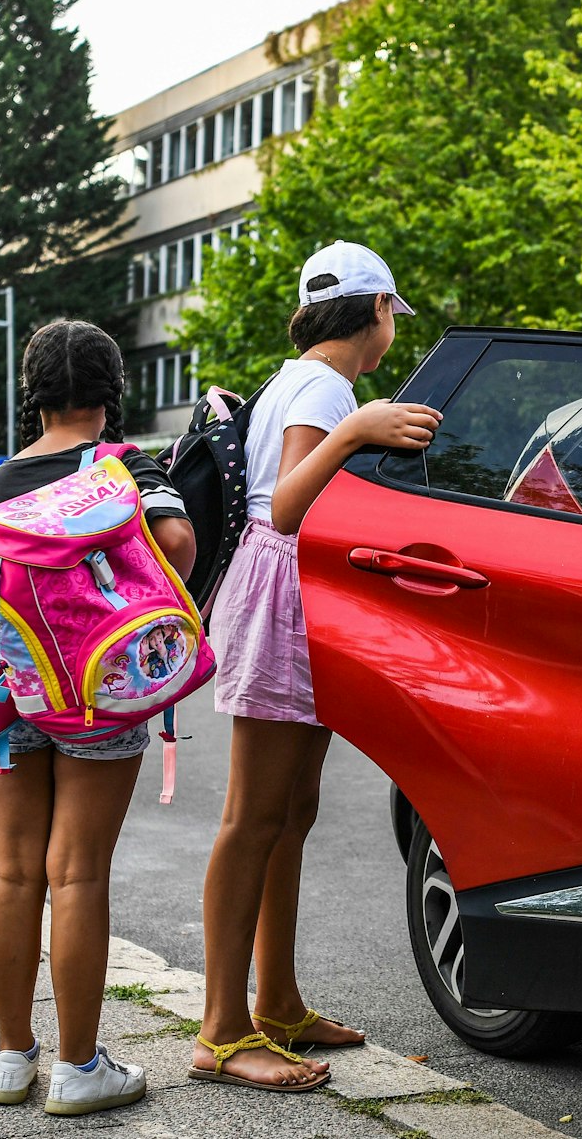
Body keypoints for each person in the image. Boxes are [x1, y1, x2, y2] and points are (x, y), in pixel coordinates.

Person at [190, 242, 441, 1092]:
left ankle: (280, 1003)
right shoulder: (330, 388)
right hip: (280, 595)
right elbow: (292, 505)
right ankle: (223, 1029)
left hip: (285, 597)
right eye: (389, 318)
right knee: (253, 817)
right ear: (375, 312)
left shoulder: (299, 378)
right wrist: (358, 429)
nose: (390, 334)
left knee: (290, 810)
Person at [0, 319, 197, 1117]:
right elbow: (177, 540)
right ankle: (79, 1067)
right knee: (78, 872)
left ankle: (9, 1058)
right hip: (102, 694)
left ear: (35, 394)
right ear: (111, 392)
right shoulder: (124, 467)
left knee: (16, 870)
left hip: (11, 697)